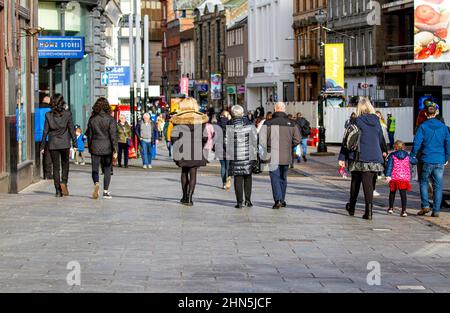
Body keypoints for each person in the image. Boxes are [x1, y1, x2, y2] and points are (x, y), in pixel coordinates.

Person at [338, 97, 387, 220]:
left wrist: (342, 157)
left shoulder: (355, 121)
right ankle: (368, 211)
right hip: (374, 156)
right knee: (369, 184)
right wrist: (384, 151)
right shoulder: (377, 121)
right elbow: (381, 138)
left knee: (355, 182)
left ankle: (352, 207)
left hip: (357, 156)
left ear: (359, 108)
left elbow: (347, 140)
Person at [411, 105, 450, 218]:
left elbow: (417, 143)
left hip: (427, 158)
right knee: (438, 185)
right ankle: (436, 210)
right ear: (436, 113)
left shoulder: (423, 126)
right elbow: (448, 143)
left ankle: (425, 205)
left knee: (423, 182)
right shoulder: (443, 127)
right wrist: (446, 158)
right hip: (439, 160)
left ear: (426, 114)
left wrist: (413, 155)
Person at [260, 102, 301, 209]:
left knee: (275, 177)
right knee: (283, 177)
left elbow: (261, 140)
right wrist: (289, 146)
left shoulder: (268, 123)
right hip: (286, 155)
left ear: (275, 109)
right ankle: (281, 199)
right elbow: (297, 139)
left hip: (272, 155)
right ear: (284, 109)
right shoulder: (292, 123)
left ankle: (278, 199)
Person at [170, 98, 208, 206]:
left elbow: (173, 137)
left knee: (184, 172)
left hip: (182, 149)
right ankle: (190, 198)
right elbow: (205, 137)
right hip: (195, 149)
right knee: (193, 173)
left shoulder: (177, 120)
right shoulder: (200, 119)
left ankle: (184, 196)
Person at [40, 94, 77, 197]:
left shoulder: (48, 115)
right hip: (65, 143)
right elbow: (71, 130)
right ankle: (64, 182)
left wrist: (42, 146)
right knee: (65, 164)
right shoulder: (67, 114)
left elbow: (45, 131)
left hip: (53, 143)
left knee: (56, 167)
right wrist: (75, 143)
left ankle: (57, 190)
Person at [85, 97, 118, 200]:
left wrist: (90, 146)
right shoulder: (110, 119)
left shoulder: (92, 119)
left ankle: (96, 183)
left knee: (95, 169)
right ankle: (105, 191)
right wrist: (115, 150)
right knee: (107, 169)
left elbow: (89, 135)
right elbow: (113, 136)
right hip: (107, 147)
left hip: (95, 146)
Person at [226, 105, 258, 209]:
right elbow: (255, 139)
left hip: (235, 155)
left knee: (238, 178)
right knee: (248, 177)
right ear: (242, 112)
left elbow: (226, 141)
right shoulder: (249, 124)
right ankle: (248, 201)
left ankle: (239, 202)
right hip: (248, 155)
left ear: (232, 113)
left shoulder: (229, 125)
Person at [385, 140, 417, 217]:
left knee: (392, 192)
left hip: (394, 177)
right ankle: (404, 211)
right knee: (403, 194)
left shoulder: (392, 155)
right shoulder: (407, 155)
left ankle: (391, 208)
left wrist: (387, 175)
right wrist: (414, 157)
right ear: (403, 147)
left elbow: (389, 166)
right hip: (404, 177)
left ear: (395, 147)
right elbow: (414, 162)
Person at [218, 110, 232, 190]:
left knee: (223, 166)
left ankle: (223, 183)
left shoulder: (217, 124)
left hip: (220, 148)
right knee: (228, 166)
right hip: (229, 148)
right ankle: (228, 181)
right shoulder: (230, 123)